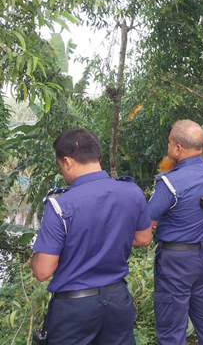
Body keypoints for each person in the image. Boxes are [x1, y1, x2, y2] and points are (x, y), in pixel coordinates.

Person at [31, 129, 152, 345]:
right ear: (98, 157)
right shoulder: (132, 192)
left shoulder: (60, 205)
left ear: (67, 161)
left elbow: (42, 271)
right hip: (117, 299)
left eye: (61, 166)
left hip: (74, 309)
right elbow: (143, 239)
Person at [148, 120, 203, 345]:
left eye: (169, 142)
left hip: (176, 262)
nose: (169, 146)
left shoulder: (170, 183)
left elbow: (146, 220)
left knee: (172, 328)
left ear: (177, 148)